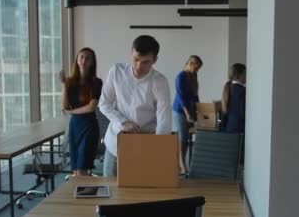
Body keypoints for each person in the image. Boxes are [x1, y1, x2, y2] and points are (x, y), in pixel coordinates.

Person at [98, 35, 172, 176]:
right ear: (131, 52)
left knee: (140, 193)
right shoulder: (116, 72)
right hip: (116, 143)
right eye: (136, 59)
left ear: (155, 60)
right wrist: (123, 121)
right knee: (110, 191)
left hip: (145, 143)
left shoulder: (159, 81)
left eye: (145, 62)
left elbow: (164, 118)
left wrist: (160, 149)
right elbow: (104, 103)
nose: (139, 66)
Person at [61, 47, 103, 176]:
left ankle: (85, 193)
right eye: (82, 57)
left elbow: (91, 107)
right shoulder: (70, 82)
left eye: (88, 58)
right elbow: (65, 106)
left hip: (88, 126)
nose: (84, 60)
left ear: (92, 62)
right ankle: (79, 193)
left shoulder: (96, 82)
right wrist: (64, 85)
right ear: (77, 60)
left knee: (82, 168)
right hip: (74, 126)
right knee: (75, 169)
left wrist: (73, 112)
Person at [172, 55, 203, 176]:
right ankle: (182, 165)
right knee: (183, 136)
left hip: (190, 109)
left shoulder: (193, 75)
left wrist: (199, 110)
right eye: (196, 68)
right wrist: (187, 114)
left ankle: (180, 163)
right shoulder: (180, 77)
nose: (197, 71)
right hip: (180, 110)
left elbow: (195, 95)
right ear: (190, 64)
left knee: (186, 136)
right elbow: (181, 98)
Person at [221, 63, 246, 133]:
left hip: (229, 128)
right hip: (239, 129)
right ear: (240, 75)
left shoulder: (228, 87)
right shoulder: (242, 91)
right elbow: (243, 112)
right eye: (245, 74)